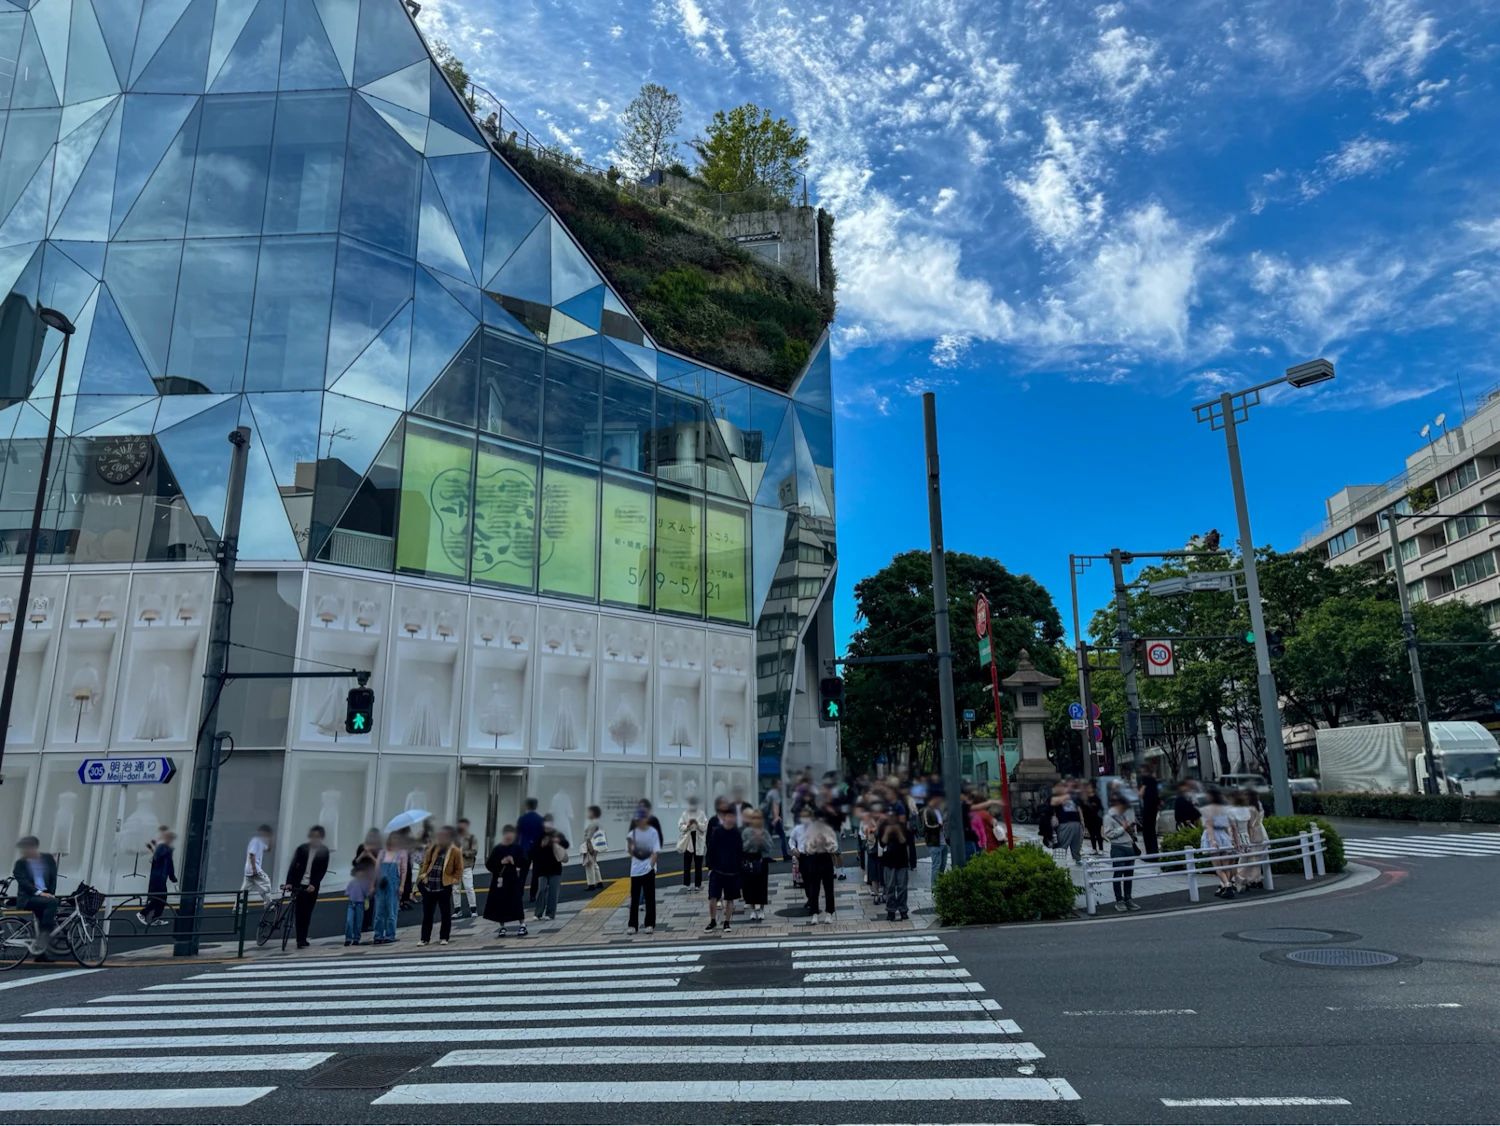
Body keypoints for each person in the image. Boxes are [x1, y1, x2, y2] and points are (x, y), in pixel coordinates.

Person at [282, 825, 330, 949]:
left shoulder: (323, 851)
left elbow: (322, 870)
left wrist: (314, 884)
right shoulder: (302, 849)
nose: (315, 838)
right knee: (300, 912)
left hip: (312, 887)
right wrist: (289, 882)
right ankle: (300, 939)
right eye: (313, 836)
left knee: (307, 912)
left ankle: (303, 937)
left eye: (318, 836)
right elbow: (293, 866)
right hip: (299, 884)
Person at [12, 836, 59, 955]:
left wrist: (50, 894)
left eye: (26, 848)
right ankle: (45, 933)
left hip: (44, 896)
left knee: (42, 920)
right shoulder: (20, 863)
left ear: (34, 847)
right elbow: (23, 882)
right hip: (29, 898)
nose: (24, 852)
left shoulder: (48, 859)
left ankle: (41, 954)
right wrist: (40, 893)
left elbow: (53, 878)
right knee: (52, 904)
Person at [703, 803, 742, 932]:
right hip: (717, 870)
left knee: (729, 898)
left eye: (732, 816)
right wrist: (710, 867)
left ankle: (727, 922)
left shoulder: (737, 833)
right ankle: (713, 920)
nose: (730, 818)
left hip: (732, 871)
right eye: (727, 816)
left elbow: (741, 852)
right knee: (713, 897)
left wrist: (739, 869)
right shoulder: (717, 832)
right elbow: (710, 850)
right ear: (724, 817)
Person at [484, 825, 527, 937]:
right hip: (500, 879)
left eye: (511, 833)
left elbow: (525, 862)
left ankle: (522, 924)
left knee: (516, 902)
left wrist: (514, 862)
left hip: (512, 880)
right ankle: (502, 926)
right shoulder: (498, 849)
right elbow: (489, 865)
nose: (509, 836)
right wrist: (500, 863)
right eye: (507, 833)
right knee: (500, 903)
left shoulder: (517, 848)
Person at [1102, 792, 1141, 912]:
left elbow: (1133, 832)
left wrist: (1131, 830)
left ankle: (1128, 898)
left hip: (1129, 847)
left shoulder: (1126, 815)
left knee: (1129, 875)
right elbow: (1109, 834)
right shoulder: (1109, 817)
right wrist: (1123, 828)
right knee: (1118, 875)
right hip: (1118, 847)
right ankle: (1119, 900)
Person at [799, 808, 839, 924]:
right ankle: (814, 913)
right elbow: (805, 848)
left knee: (829, 888)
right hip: (814, 858)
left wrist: (826, 841)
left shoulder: (828, 829)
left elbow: (834, 847)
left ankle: (829, 912)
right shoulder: (809, 829)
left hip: (826, 858)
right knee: (814, 888)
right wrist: (814, 843)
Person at [625, 808, 660, 934]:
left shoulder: (652, 833)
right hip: (635, 870)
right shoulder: (632, 834)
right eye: (638, 819)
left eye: (643, 819)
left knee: (650, 897)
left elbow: (656, 851)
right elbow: (630, 853)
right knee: (634, 898)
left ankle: (649, 924)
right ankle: (632, 925)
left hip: (648, 869)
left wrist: (651, 866)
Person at [1198, 786, 1237, 898]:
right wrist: (1231, 839)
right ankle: (1225, 886)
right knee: (1225, 865)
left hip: (1213, 836)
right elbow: (1227, 826)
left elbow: (1209, 826)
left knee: (1217, 866)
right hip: (1224, 835)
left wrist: (1212, 840)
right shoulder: (1224, 809)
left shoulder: (1207, 809)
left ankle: (1227, 885)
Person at [373, 832, 409, 944]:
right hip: (381, 883)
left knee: (392, 910)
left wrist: (402, 885)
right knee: (379, 911)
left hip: (394, 883)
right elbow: (377, 869)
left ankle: (390, 935)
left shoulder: (402, 853)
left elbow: (404, 870)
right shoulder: (382, 852)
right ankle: (378, 935)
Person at [880, 809, 915, 922]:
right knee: (889, 887)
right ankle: (891, 911)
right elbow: (882, 843)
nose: (891, 819)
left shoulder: (903, 827)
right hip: (888, 862)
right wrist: (887, 832)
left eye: (893, 816)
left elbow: (905, 842)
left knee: (902, 887)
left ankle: (903, 909)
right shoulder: (883, 827)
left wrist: (897, 831)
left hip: (902, 861)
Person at [532, 819, 570, 922]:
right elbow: (534, 851)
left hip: (555, 868)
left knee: (553, 891)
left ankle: (550, 913)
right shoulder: (540, 836)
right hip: (542, 869)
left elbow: (566, 844)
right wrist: (542, 845)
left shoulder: (557, 834)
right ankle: (538, 913)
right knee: (541, 890)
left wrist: (558, 841)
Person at [740, 809, 774, 922]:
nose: (756, 820)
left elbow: (770, 846)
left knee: (762, 885)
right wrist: (752, 840)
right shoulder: (746, 832)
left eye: (758, 818)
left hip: (762, 860)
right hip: (750, 860)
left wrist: (762, 840)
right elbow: (742, 847)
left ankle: (762, 909)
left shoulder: (764, 831)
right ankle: (753, 909)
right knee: (750, 886)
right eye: (754, 818)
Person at [139, 828, 176, 925]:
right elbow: (166, 863)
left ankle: (154, 918)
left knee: (160, 899)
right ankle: (143, 913)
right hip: (159, 877)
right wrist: (173, 878)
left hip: (159, 877)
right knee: (160, 898)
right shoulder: (164, 847)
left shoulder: (164, 848)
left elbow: (168, 864)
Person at [1236, 787, 1268, 891]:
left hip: (1251, 835)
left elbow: (1248, 825)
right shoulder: (1258, 807)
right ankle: (1253, 879)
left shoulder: (1249, 809)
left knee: (1247, 858)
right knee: (1254, 858)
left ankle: (1248, 879)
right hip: (1259, 833)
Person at [353, 828, 381, 934]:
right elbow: (355, 862)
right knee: (358, 901)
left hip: (373, 876)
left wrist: (370, 856)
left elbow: (379, 864)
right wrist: (362, 855)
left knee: (370, 901)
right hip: (361, 876)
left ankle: (367, 923)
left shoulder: (379, 849)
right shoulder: (362, 847)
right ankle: (358, 923)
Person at [677, 797, 708, 891]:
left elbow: (705, 827)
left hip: (698, 839)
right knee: (687, 864)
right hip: (688, 840)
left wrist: (697, 823)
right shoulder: (685, 814)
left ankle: (697, 885)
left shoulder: (701, 813)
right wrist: (688, 825)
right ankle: (687, 884)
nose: (693, 806)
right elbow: (680, 827)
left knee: (698, 864)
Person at [516, 798, 544, 903]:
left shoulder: (522, 819)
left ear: (527, 806)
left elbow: (518, 835)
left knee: (523, 873)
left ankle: (519, 893)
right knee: (536, 873)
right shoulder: (540, 819)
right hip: (537, 849)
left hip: (525, 848)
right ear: (536, 806)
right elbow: (542, 835)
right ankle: (533, 895)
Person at [241, 825, 275, 908]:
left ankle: (238, 908)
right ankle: (269, 905)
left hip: (249, 870)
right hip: (254, 869)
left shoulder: (259, 841)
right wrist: (254, 868)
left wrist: (270, 839)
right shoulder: (255, 841)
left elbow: (268, 849)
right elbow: (252, 854)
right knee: (266, 883)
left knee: (244, 890)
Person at [453, 818, 479, 920]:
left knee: (469, 888)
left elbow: (474, 851)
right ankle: (457, 909)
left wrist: (463, 852)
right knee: (455, 889)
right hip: (455, 867)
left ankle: (473, 909)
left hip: (466, 865)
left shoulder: (471, 837)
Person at [345, 857, 375, 945]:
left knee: (358, 923)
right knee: (349, 921)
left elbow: (368, 894)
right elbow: (347, 892)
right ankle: (348, 938)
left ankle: (356, 938)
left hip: (360, 904)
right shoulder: (352, 882)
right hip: (352, 904)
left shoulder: (365, 883)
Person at [1052, 784, 1083, 866]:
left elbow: (1079, 809)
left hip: (1076, 823)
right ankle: (1059, 862)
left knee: (1076, 844)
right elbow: (1053, 803)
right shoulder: (1055, 798)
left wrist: (1082, 822)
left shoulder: (1073, 798)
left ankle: (1077, 859)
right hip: (1064, 824)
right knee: (1062, 844)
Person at [762, 781, 790, 861]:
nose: (781, 785)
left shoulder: (770, 792)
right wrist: (776, 817)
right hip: (773, 817)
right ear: (775, 785)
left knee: (768, 836)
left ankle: (765, 856)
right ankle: (785, 854)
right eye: (779, 784)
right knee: (782, 836)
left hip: (768, 817)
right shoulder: (775, 793)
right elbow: (775, 805)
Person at [921, 795, 946, 883]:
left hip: (943, 841)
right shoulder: (927, 810)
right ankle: (935, 887)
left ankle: (941, 885)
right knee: (936, 865)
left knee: (943, 865)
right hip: (934, 841)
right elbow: (926, 826)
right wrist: (939, 826)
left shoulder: (939, 810)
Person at [1138, 766, 1162, 858]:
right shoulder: (1153, 780)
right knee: (1151, 830)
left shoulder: (1146, 779)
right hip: (1154, 807)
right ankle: (1154, 852)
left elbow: (1141, 793)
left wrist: (1135, 791)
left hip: (1148, 806)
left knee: (1147, 831)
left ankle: (1150, 854)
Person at [582, 805, 605, 890]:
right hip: (596, 845)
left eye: (589, 812)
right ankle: (599, 882)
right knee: (594, 863)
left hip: (590, 845)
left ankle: (591, 884)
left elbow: (589, 837)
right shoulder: (598, 822)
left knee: (589, 864)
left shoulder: (593, 823)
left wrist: (588, 847)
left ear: (593, 813)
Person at [1080, 783, 1105, 855]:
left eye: (1089, 788)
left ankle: (1101, 849)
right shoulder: (1085, 799)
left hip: (1097, 819)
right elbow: (1082, 809)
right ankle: (1094, 849)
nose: (1088, 789)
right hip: (1088, 819)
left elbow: (1101, 808)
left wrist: (1101, 817)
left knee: (1098, 834)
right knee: (1092, 835)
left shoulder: (1096, 798)